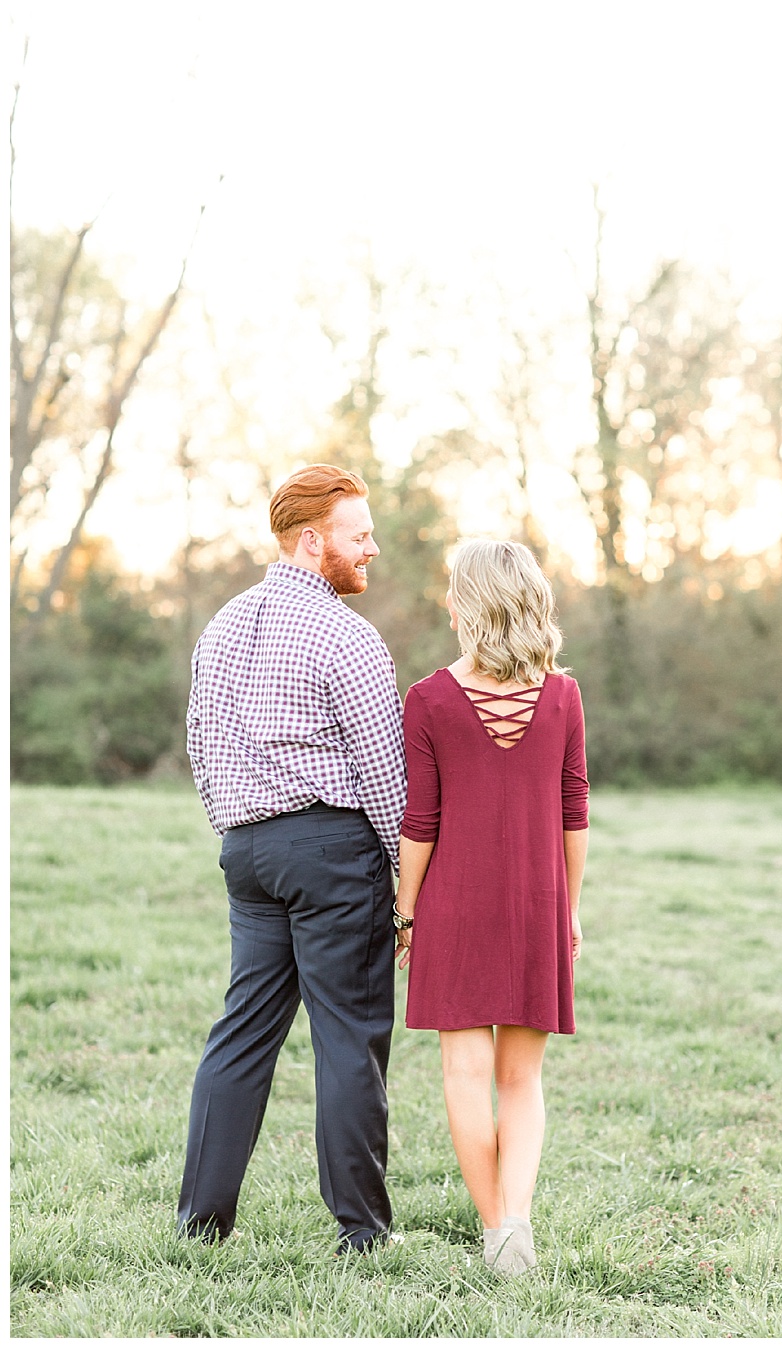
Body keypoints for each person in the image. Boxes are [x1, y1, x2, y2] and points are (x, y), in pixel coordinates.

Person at [179, 463, 404, 1253]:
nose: (373, 548)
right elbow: (384, 775)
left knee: (242, 1031)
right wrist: (405, 881)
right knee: (348, 1034)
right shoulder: (347, 636)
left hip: (248, 853)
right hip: (333, 850)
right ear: (313, 542)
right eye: (359, 535)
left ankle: (200, 1224)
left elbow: (201, 749)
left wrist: (238, 833)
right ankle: (362, 1233)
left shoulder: (223, 626)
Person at [392, 538, 589, 1275]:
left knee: (465, 1077)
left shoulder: (429, 699)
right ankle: (517, 1229)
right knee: (521, 1080)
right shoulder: (564, 696)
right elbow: (576, 812)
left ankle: (496, 1232)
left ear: (466, 605)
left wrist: (406, 912)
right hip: (537, 902)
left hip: (454, 904)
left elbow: (421, 821)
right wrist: (568, 907)